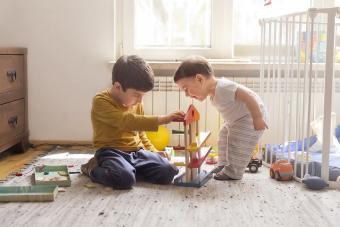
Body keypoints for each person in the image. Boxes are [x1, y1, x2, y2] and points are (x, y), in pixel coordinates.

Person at [81, 55, 184, 189]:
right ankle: (92, 168)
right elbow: (127, 121)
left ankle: (130, 169)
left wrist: (153, 151)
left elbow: (140, 133)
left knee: (168, 171)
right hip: (111, 151)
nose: (140, 100)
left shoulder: (136, 103)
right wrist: (163, 119)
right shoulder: (101, 101)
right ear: (118, 87)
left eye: (143, 95)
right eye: (136, 95)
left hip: (136, 152)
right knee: (124, 180)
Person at [173, 56, 268, 180]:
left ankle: (234, 172)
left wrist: (258, 117)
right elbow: (231, 108)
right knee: (223, 136)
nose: (186, 94)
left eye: (186, 89)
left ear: (199, 79)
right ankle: (223, 165)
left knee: (236, 142)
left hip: (250, 116)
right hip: (237, 119)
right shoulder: (214, 93)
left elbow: (248, 96)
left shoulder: (223, 87)